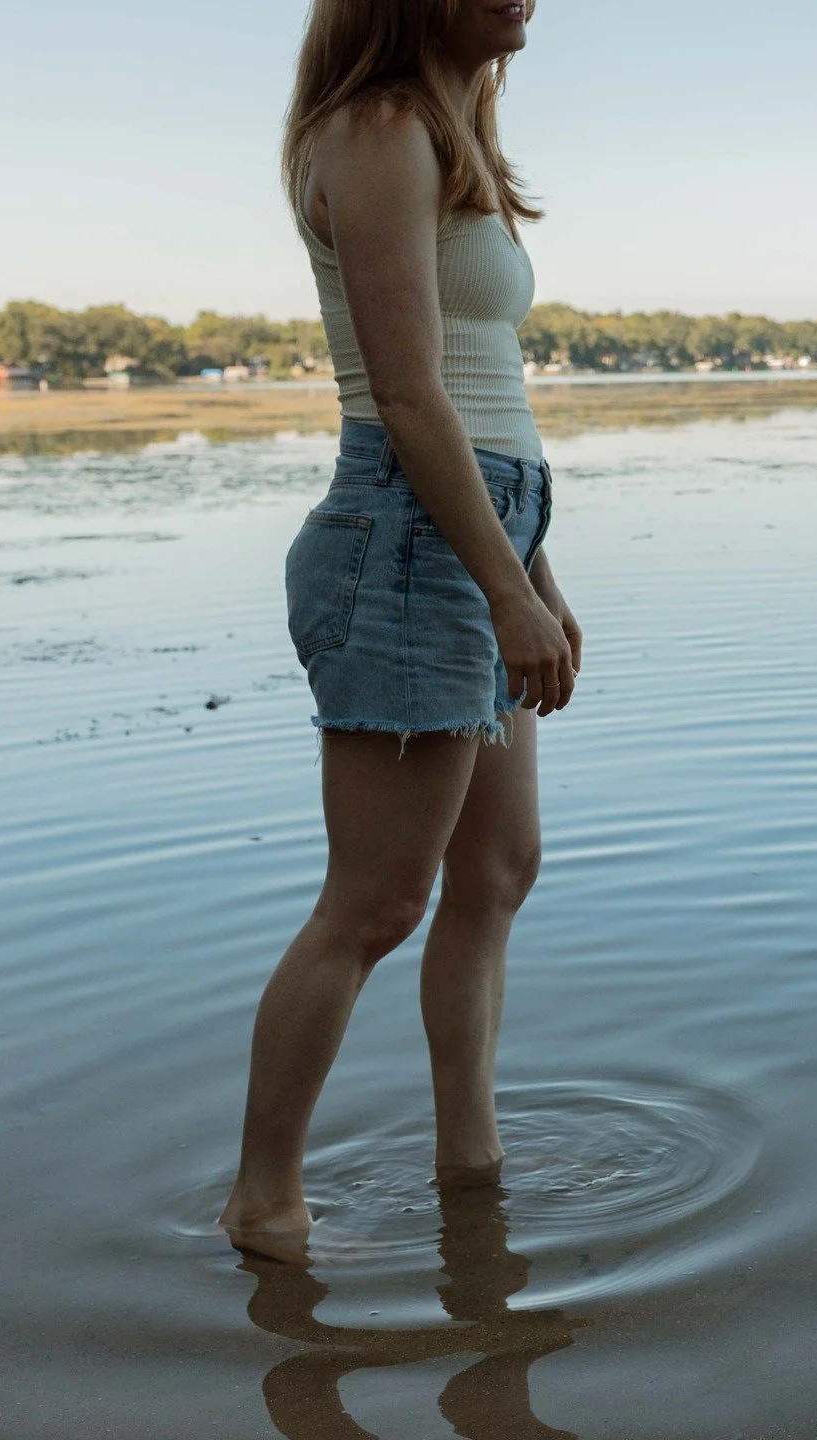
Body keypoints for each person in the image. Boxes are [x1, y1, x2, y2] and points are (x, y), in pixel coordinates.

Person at [219, 0, 580, 1261]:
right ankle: (264, 1199)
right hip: (410, 542)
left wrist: (535, 569)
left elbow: (489, 392)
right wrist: (506, 589)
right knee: (374, 902)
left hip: (475, 532)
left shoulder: (447, 137)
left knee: (497, 871)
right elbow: (411, 394)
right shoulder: (377, 130)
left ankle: (469, 1167)